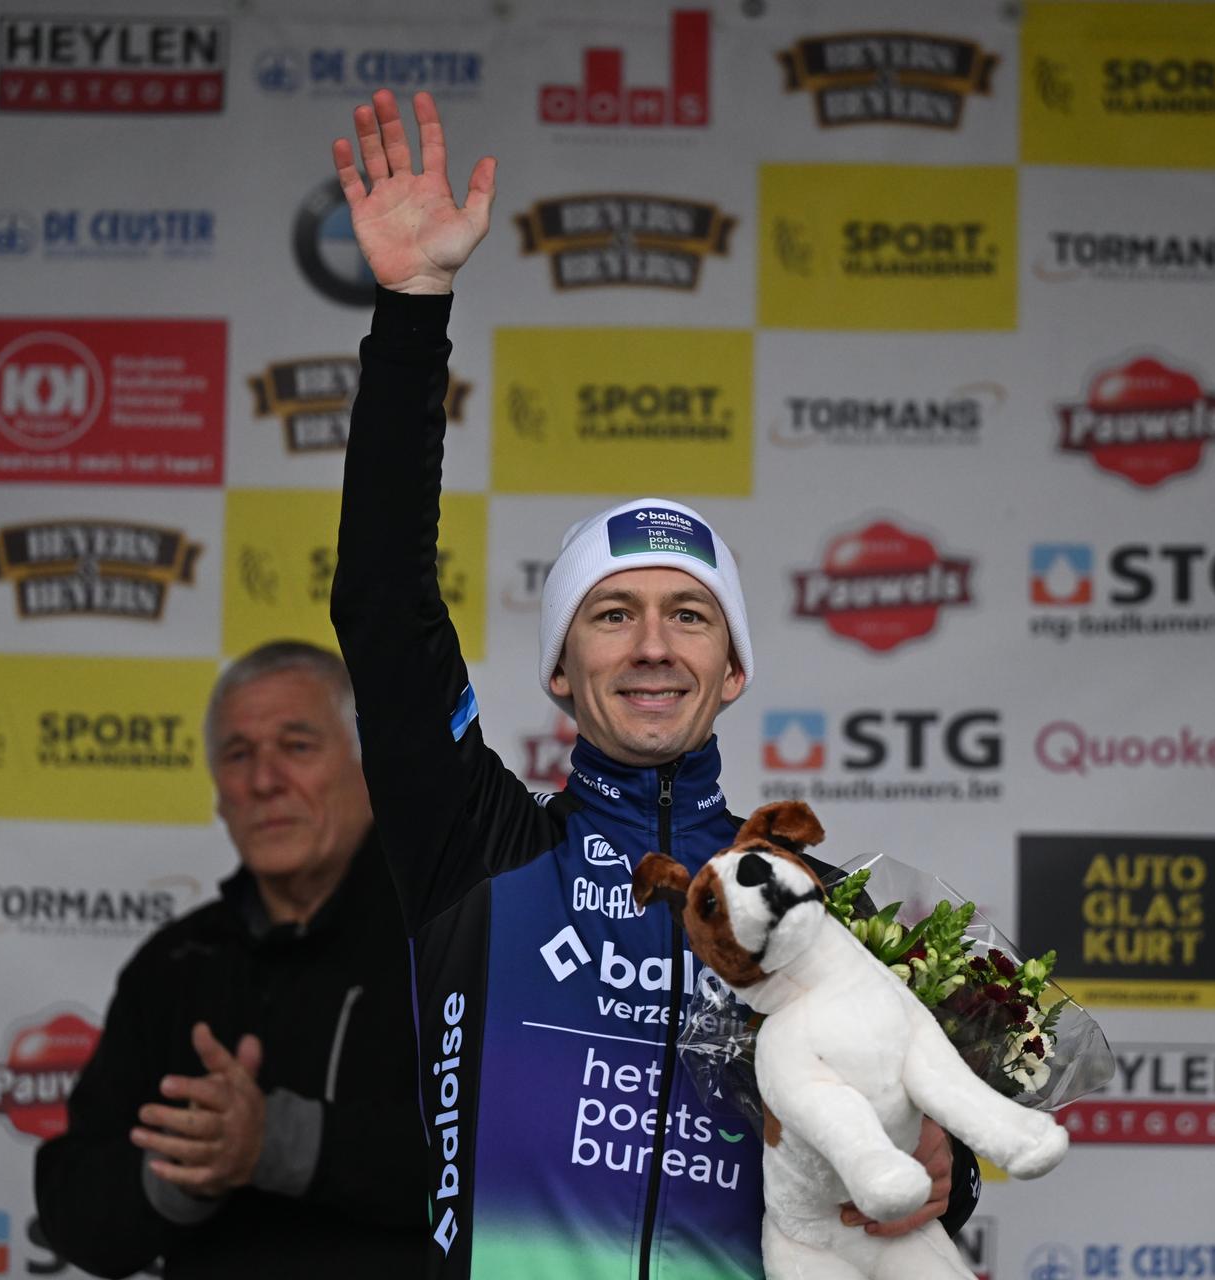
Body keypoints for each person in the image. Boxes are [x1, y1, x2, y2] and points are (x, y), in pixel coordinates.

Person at [328, 89, 980, 1279]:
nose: (651, 645)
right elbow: (379, 604)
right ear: (562, 673)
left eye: (689, 616)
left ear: (732, 671)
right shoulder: (475, 845)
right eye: (611, 615)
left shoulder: (818, 908)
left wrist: (954, 1161)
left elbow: (918, 1130)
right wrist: (413, 310)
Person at [33, 641, 429, 1278]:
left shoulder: (456, 934)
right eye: (238, 755)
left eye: (297, 746)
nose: (264, 781)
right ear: (218, 792)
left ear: (369, 766)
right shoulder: (173, 964)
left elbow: (518, 1165)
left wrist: (278, 1144)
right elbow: (74, 1212)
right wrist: (185, 1171)